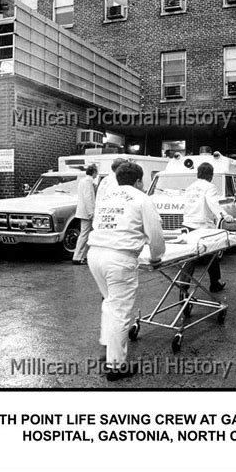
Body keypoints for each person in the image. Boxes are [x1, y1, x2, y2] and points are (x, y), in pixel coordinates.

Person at [87, 162, 165, 381]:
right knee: (120, 311)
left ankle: (107, 347)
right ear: (139, 181)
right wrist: (156, 257)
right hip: (119, 258)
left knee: (109, 302)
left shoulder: (107, 196)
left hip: (95, 254)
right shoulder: (142, 198)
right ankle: (116, 365)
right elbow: (155, 235)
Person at [182, 162, 234, 293]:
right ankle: (215, 283)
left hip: (188, 224)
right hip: (203, 226)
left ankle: (183, 287)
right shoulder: (210, 187)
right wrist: (224, 215)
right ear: (211, 175)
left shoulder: (189, 187)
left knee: (190, 258)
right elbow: (213, 203)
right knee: (212, 254)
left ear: (198, 174)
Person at [72, 164, 98, 265]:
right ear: (94, 172)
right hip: (87, 213)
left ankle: (83, 256)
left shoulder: (83, 181)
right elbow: (88, 197)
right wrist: (91, 212)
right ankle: (78, 257)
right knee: (84, 235)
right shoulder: (88, 181)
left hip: (84, 212)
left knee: (86, 234)